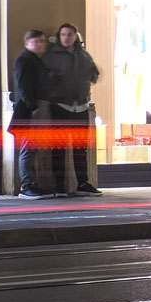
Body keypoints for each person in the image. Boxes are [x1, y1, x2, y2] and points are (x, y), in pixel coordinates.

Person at [42, 22, 103, 197]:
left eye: (70, 34)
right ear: (59, 37)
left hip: (81, 107)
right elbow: (44, 79)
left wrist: (90, 78)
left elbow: (94, 74)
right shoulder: (52, 56)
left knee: (80, 149)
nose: (67, 37)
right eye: (64, 34)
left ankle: (83, 183)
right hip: (61, 106)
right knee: (59, 149)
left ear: (76, 37)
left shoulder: (83, 55)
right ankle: (59, 186)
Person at [9, 29, 50, 198]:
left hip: (33, 106)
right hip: (28, 109)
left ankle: (32, 183)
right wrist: (33, 105)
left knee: (32, 148)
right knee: (28, 148)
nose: (40, 44)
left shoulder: (34, 60)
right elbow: (23, 85)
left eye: (41, 41)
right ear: (27, 43)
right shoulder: (24, 60)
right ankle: (26, 186)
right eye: (36, 41)